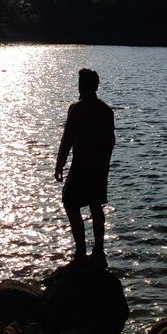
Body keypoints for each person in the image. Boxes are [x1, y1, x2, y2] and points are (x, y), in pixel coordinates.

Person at [54, 68, 115, 268]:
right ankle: (98, 251)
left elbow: (67, 139)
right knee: (95, 204)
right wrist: (104, 162)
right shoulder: (106, 110)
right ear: (96, 86)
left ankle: (80, 251)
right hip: (100, 166)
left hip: (81, 165)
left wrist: (60, 164)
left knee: (70, 202)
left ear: (82, 86)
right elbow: (111, 141)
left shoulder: (77, 108)